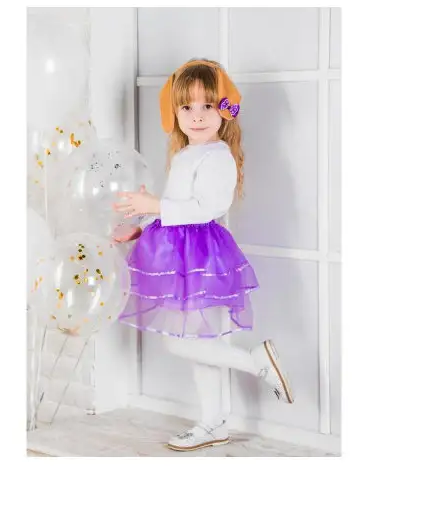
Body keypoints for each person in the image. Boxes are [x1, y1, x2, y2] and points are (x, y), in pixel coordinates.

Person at [112, 58, 293, 452]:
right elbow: (176, 205)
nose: (196, 116)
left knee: (181, 341)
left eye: (207, 106)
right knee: (200, 345)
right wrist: (143, 225)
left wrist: (155, 204)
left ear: (223, 110)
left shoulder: (218, 156)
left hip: (201, 256)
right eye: (187, 107)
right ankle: (214, 422)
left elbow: (205, 207)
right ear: (174, 113)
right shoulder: (185, 155)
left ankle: (257, 363)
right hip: (180, 252)